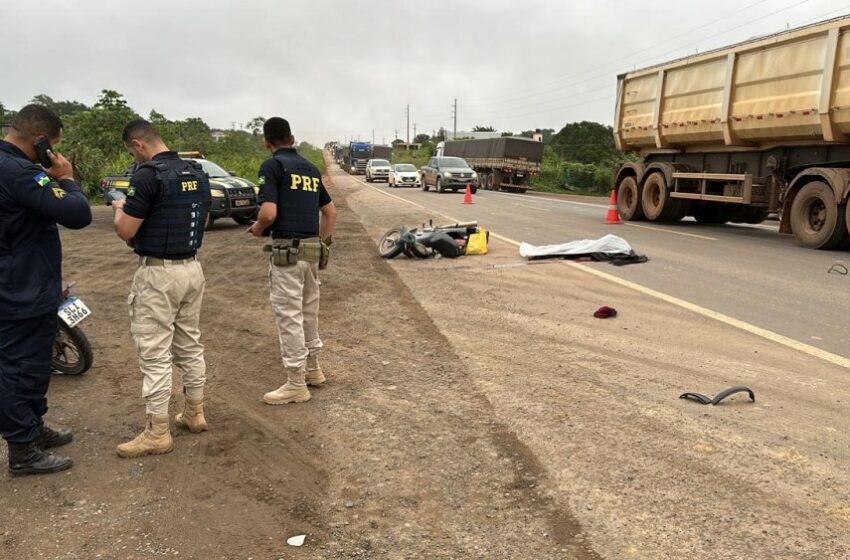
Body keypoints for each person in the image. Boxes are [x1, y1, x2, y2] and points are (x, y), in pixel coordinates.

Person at [0, 104, 92, 476]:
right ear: (40, 142)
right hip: (18, 290)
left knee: (34, 364)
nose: (54, 153)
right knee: (16, 368)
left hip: (25, 283)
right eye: (52, 146)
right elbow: (78, 214)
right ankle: (22, 449)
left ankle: (33, 428)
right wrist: (66, 177)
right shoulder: (18, 172)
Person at [111, 119, 211, 458]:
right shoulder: (196, 171)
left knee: (154, 352)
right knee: (189, 342)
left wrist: (119, 208)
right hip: (192, 268)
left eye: (131, 151)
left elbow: (126, 231)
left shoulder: (147, 176)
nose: (134, 157)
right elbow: (204, 218)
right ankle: (194, 413)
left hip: (158, 275)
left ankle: (157, 432)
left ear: (138, 145)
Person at [248, 117, 336, 405]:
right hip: (311, 249)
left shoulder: (272, 167)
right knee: (309, 310)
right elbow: (330, 212)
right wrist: (320, 242)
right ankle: (314, 369)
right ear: (292, 138)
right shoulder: (310, 169)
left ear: (267, 141)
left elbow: (269, 213)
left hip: (287, 250)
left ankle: (296, 383)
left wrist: (258, 229)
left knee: (289, 315)